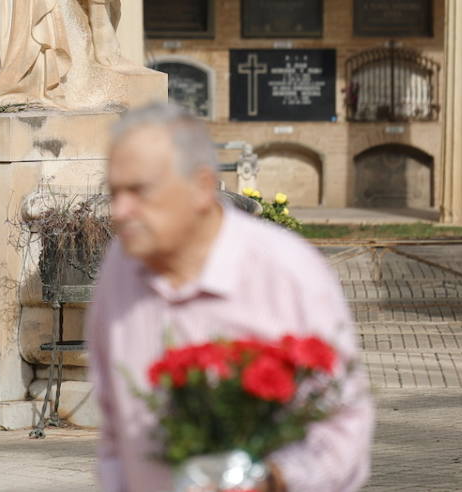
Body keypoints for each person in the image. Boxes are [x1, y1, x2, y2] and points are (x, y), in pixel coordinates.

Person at [87, 104, 373, 492]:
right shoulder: (118, 269)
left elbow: (344, 425)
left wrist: (274, 480)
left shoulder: (286, 271)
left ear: (202, 187)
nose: (120, 211)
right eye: (114, 192)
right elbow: (113, 430)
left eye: (139, 191)